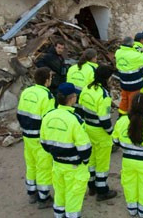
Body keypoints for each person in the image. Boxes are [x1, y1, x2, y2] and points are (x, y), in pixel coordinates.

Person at [40, 83, 92, 218]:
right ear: (72, 98)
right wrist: (84, 161)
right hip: (74, 167)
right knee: (73, 199)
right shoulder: (75, 120)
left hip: (57, 165)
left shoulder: (48, 116)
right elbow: (84, 147)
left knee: (60, 196)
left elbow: (44, 143)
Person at [75, 65, 117, 201]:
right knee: (102, 163)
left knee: (91, 160)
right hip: (100, 132)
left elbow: (80, 108)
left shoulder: (87, 88)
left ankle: (91, 186)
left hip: (87, 128)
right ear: (106, 78)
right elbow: (105, 120)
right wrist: (111, 132)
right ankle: (102, 190)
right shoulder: (104, 95)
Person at [16, 67, 55, 208]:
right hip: (39, 137)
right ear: (46, 80)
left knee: (31, 164)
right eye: (51, 77)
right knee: (43, 167)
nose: (51, 79)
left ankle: (31, 192)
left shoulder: (26, 91)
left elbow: (19, 113)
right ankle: (44, 198)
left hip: (27, 135)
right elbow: (48, 121)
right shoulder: (47, 96)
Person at [115, 36, 143, 115]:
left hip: (123, 83)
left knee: (124, 100)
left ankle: (121, 115)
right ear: (132, 44)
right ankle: (131, 118)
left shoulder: (118, 52)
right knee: (133, 102)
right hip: (134, 84)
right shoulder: (134, 55)